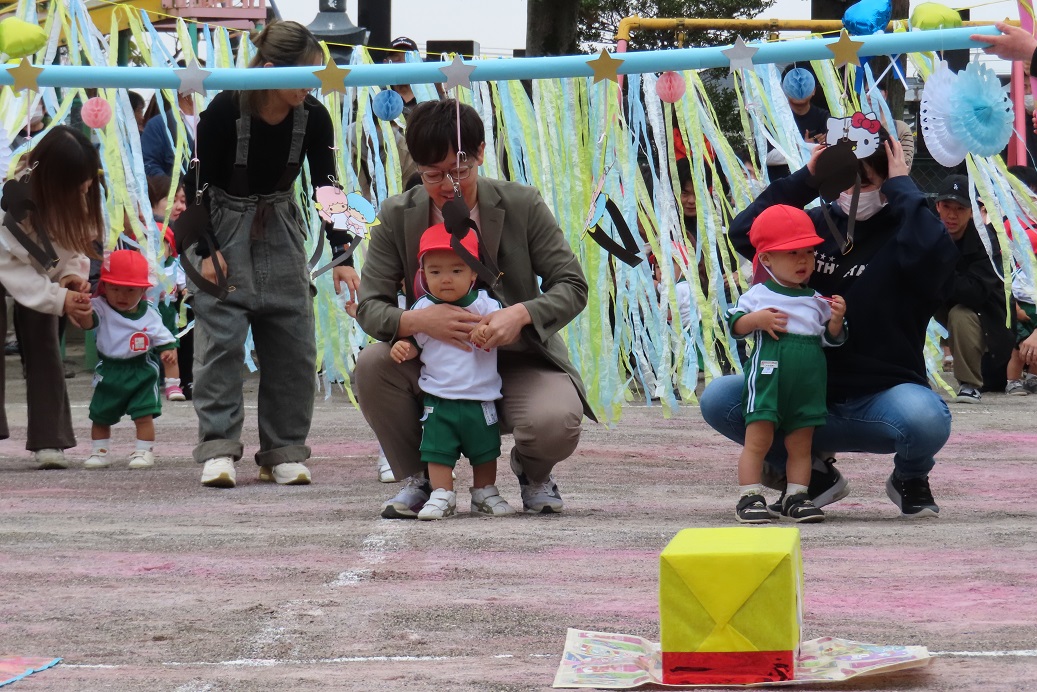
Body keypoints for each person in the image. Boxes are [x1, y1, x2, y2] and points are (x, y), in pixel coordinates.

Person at [701, 131, 960, 519]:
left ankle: (910, 477)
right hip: (801, 391)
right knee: (720, 398)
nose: (852, 192)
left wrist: (902, 188)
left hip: (881, 398)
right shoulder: (813, 227)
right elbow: (745, 232)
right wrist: (806, 179)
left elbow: (937, 255)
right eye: (843, 181)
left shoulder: (907, 231)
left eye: (866, 182)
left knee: (926, 417)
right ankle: (814, 476)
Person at [355, 98, 592, 518]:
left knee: (556, 420)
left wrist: (520, 314)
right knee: (373, 364)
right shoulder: (396, 215)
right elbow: (370, 306)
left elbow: (572, 285)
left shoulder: (522, 203)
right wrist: (418, 320)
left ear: (480, 153)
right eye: (432, 175)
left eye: (459, 171)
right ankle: (418, 479)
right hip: (433, 364)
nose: (448, 186)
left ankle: (533, 472)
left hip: (517, 361)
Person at [180, 20, 359, 488]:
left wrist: (343, 254)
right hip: (222, 227)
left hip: (281, 226)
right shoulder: (224, 109)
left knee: (294, 344)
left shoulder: (314, 117)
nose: (310, 84)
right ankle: (219, 450)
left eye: (316, 73)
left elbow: (327, 186)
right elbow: (194, 183)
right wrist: (205, 250)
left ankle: (283, 451)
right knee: (219, 344)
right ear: (271, 67)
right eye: (303, 73)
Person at [727, 205, 847, 524]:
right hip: (769, 375)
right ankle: (749, 496)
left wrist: (836, 321)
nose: (803, 260)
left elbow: (831, 340)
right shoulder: (758, 294)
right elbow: (735, 324)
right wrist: (757, 320)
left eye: (808, 252)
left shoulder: (817, 300)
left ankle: (797, 495)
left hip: (807, 383)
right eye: (792, 253)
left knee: (801, 444)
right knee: (759, 439)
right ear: (766, 259)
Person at [388, 223, 516, 520]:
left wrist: (488, 334)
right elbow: (416, 342)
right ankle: (442, 493)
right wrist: (404, 347)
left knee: (485, 450)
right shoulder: (422, 308)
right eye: (435, 272)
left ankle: (485, 492)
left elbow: (502, 333)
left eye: (456, 271)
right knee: (437, 450)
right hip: (439, 397)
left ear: (473, 274)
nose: (445, 279)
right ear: (423, 274)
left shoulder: (486, 306)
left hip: (480, 396)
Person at [0, 126, 99, 469]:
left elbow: (73, 247)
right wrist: (58, 298)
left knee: (44, 336)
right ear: (54, 182)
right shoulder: (11, 205)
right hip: (7, 266)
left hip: (40, 274)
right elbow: (14, 271)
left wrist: (71, 277)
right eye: (78, 186)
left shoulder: (78, 193)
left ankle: (49, 439)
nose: (85, 191)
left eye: (87, 184)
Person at [82, 250, 178, 470]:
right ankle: (100, 451)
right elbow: (87, 323)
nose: (121, 296)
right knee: (100, 415)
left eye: (130, 290)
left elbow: (166, 340)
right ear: (104, 286)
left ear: (144, 290)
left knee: (144, 414)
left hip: (140, 370)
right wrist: (82, 307)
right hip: (109, 368)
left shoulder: (150, 314)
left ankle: (144, 451)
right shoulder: (100, 306)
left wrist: (168, 352)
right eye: (114, 288)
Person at [932, 175, 1013, 403]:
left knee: (960, 313)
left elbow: (973, 294)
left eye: (960, 208)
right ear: (937, 206)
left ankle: (969, 384)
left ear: (972, 212)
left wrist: (938, 264)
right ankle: (910, 374)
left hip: (986, 320)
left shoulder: (986, 242)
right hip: (940, 303)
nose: (952, 215)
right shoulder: (929, 234)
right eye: (947, 206)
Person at [146, 175, 188, 401]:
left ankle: (174, 384)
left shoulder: (173, 261)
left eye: (184, 200)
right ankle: (148, 384)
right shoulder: (142, 233)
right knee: (145, 347)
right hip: (145, 309)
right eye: (173, 200)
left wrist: (185, 289)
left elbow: (180, 276)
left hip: (168, 310)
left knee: (170, 346)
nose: (181, 206)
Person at [766, 67, 830, 181]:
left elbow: (833, 151)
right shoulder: (774, 121)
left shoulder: (824, 117)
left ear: (814, 90)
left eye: (805, 83)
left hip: (816, 184)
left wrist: (805, 148)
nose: (799, 87)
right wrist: (806, 147)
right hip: (783, 183)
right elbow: (767, 156)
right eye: (793, 83)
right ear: (784, 90)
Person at [141, 67, 199, 177]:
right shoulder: (158, 125)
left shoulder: (212, 119)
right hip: (175, 187)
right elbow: (149, 164)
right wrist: (175, 186)